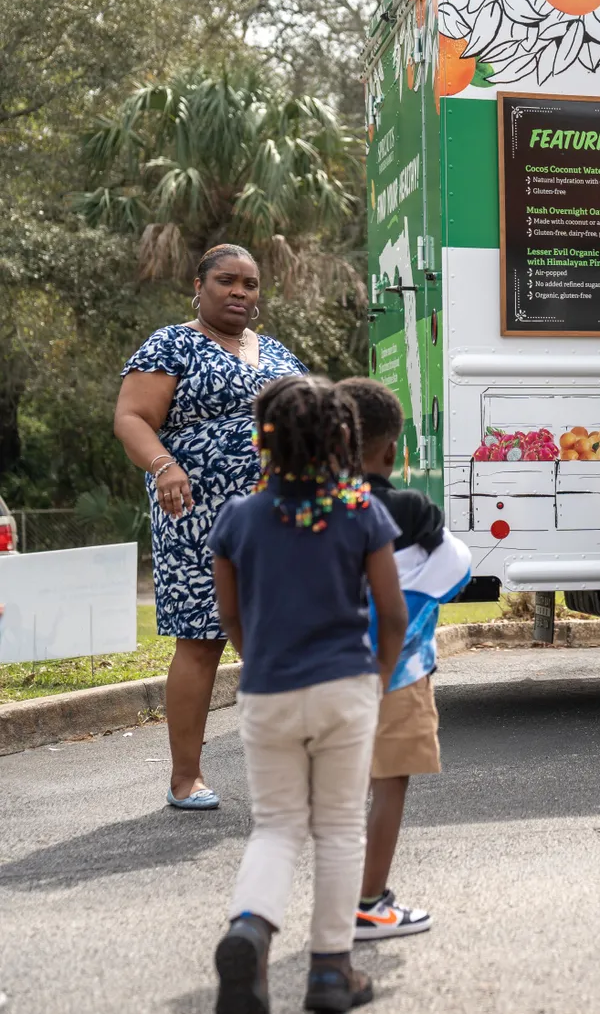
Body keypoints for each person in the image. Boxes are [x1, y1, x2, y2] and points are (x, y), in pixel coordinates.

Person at [209, 374, 408, 1014]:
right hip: (344, 687)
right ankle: (329, 972)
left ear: (264, 439)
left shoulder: (238, 516)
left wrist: (257, 659)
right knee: (340, 828)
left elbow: (231, 613)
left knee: (276, 827)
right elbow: (393, 612)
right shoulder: (359, 510)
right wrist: (376, 677)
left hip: (267, 690)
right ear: (343, 439)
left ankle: (249, 928)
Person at [114, 244, 308, 810]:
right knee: (201, 639)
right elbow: (131, 417)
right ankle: (186, 778)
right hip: (197, 514)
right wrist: (165, 465)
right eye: (227, 281)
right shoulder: (172, 344)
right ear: (198, 287)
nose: (240, 292)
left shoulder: (275, 352)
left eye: (250, 284)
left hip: (280, 516)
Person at [338, 378, 472, 942]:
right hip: (400, 675)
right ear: (392, 451)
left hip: (320, 677)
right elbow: (457, 571)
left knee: (335, 794)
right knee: (387, 784)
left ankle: (334, 903)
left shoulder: (311, 513)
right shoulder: (412, 514)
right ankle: (369, 903)